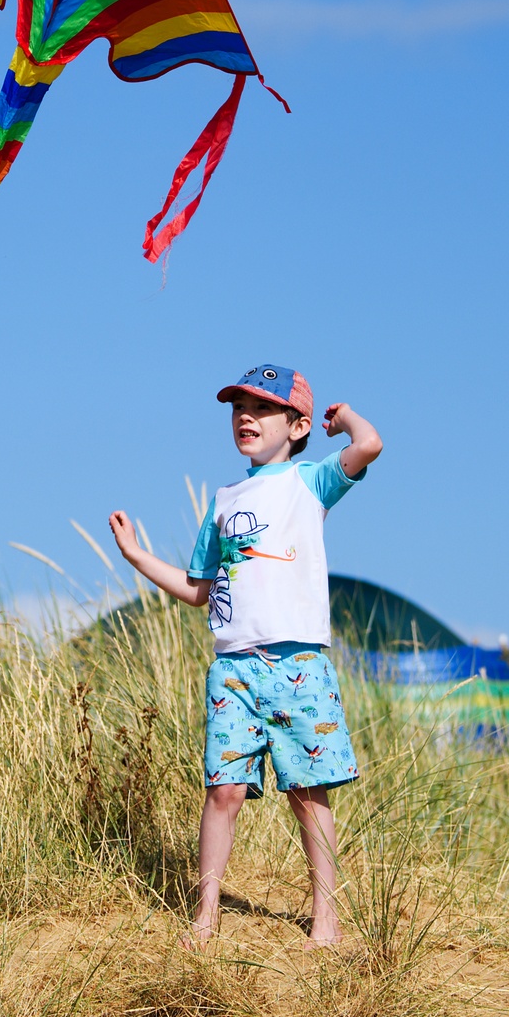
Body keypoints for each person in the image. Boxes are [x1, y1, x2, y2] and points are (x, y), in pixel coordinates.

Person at [108, 365, 383, 948]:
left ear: (297, 425)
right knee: (223, 790)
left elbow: (370, 444)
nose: (245, 418)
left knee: (307, 792)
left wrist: (345, 418)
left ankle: (326, 917)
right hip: (233, 667)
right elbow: (198, 589)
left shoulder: (311, 481)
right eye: (238, 408)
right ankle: (205, 915)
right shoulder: (225, 500)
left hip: (299, 664)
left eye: (261, 408)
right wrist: (136, 556)